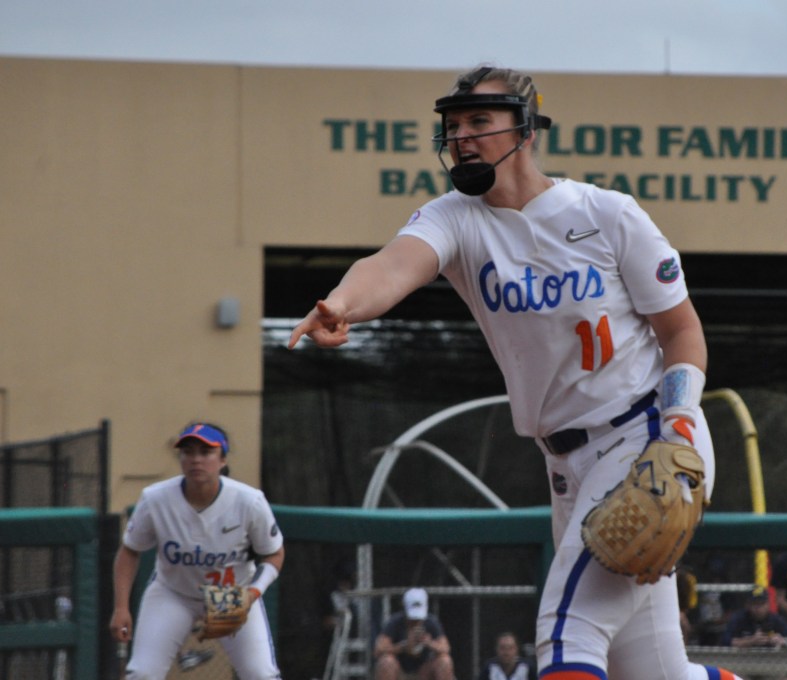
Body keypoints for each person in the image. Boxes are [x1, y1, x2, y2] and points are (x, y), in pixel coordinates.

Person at [288, 63, 742, 680]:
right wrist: (342, 303)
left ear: (526, 129)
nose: (463, 137)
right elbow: (392, 265)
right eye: (453, 126)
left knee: (566, 632)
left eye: (480, 121)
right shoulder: (457, 217)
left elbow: (682, 332)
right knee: (658, 674)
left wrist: (682, 423)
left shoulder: (607, 214)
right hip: (565, 467)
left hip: (650, 441)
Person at [108, 422, 285, 679]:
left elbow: (274, 553)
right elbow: (130, 551)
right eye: (188, 452)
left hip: (230, 596)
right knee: (143, 674)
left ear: (222, 459)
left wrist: (253, 592)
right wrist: (121, 607)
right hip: (174, 593)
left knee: (260, 674)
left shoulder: (248, 501)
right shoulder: (155, 498)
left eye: (206, 452)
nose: (196, 460)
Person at [373, 587, 454, 680]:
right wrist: (402, 647)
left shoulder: (431, 622)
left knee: (444, 661)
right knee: (386, 662)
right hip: (400, 672)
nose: (415, 621)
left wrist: (429, 643)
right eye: (412, 619)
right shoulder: (395, 622)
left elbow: (446, 648)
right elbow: (378, 649)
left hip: (423, 671)